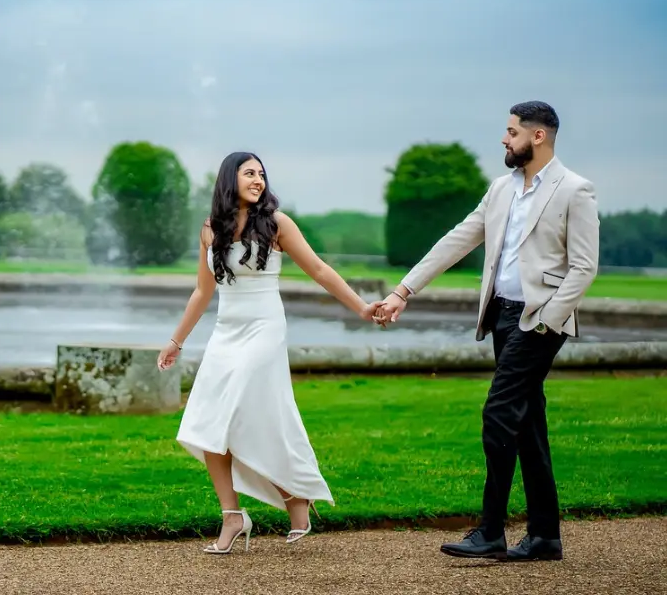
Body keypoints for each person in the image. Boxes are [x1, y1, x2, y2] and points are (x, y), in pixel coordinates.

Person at [374, 101, 599, 562]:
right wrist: (403, 290)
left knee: (498, 412)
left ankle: (491, 529)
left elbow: (584, 267)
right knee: (526, 422)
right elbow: (457, 239)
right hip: (501, 315)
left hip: (540, 319)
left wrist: (548, 319)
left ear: (538, 136)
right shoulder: (501, 189)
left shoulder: (575, 190)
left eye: (512, 131)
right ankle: (544, 537)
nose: (504, 138)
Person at [157, 151, 384, 554]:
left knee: (244, 413)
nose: (258, 180)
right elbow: (202, 291)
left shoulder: (277, 223)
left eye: (261, 174)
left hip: (265, 330)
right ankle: (234, 516)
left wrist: (362, 306)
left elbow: (319, 270)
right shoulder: (210, 229)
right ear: (230, 179)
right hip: (227, 332)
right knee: (208, 420)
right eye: (249, 173)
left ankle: (295, 495)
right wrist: (176, 341)